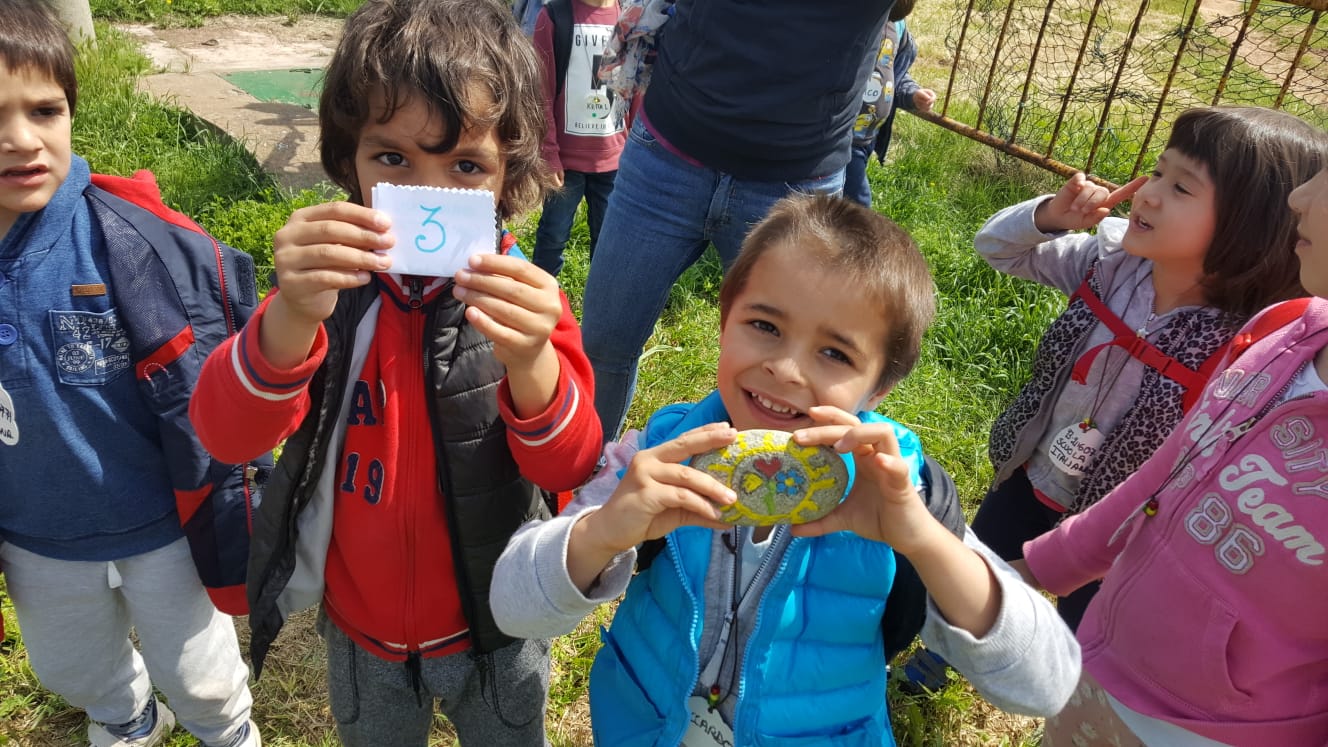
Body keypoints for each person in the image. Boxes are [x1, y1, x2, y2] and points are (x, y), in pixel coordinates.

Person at [491, 195, 1081, 745]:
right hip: (643, 722)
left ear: (880, 386)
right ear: (725, 321)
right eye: (765, 326)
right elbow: (513, 608)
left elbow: (1045, 686)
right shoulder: (663, 453)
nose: (786, 368)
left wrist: (925, 541)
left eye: (835, 353)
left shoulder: (899, 489)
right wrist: (604, 531)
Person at [188, 1, 602, 745]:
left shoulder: (524, 304)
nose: (429, 192)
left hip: (496, 625)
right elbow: (225, 434)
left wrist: (531, 359)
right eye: (392, 159)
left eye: (466, 166)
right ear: (348, 158)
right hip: (362, 633)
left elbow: (568, 465)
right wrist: (291, 315)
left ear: (508, 174)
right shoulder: (326, 295)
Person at [0, 2, 263, 746]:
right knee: (72, 663)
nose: (22, 139)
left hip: (160, 522)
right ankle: (126, 715)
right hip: (36, 536)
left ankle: (226, 730)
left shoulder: (130, 242)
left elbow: (215, 369)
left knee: (201, 668)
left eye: (45, 110)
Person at [968, 106, 1328, 630]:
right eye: (1158, 172)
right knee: (978, 580)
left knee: (1080, 639)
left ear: (1249, 225)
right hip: (1030, 475)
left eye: (1181, 188)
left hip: (1120, 537)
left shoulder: (1250, 342)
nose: (1149, 194)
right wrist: (1048, 216)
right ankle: (937, 658)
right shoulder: (1108, 264)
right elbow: (996, 248)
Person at [1016, 160, 1328, 747]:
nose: (1299, 198)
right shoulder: (1284, 331)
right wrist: (1040, 567)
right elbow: (1171, 471)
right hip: (1105, 661)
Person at [580, 0, 912, 444]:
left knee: (794, 372)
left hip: (799, 173)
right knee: (604, 344)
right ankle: (593, 474)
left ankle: (769, 486)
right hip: (669, 147)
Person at [530, 0, 626, 277]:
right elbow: (541, 92)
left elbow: (636, 89)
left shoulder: (629, 17)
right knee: (553, 236)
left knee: (609, 242)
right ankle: (541, 296)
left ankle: (603, 300)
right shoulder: (553, 16)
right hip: (566, 161)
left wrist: (633, 150)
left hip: (615, 160)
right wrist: (549, 153)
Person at [845, 0, 936, 208]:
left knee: (844, 200)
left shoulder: (897, 26)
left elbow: (894, 75)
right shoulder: (853, 20)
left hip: (868, 135)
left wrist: (912, 94)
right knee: (858, 205)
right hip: (843, 135)